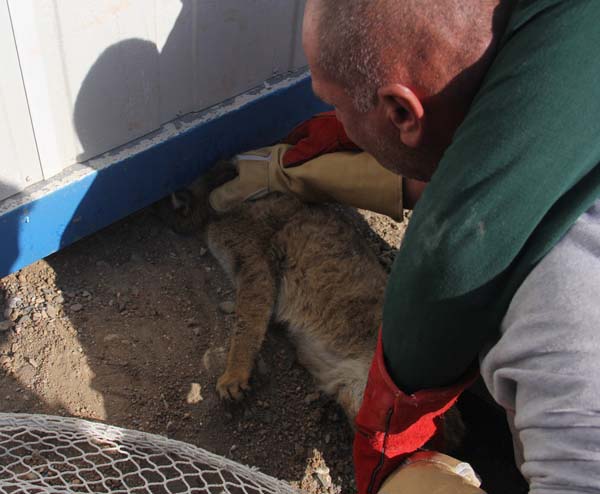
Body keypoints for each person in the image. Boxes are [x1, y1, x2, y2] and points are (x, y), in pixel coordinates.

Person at [211, 0, 600, 492]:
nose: (336, 122)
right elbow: (448, 170)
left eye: (338, 106)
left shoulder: (558, 309)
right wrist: (293, 174)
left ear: (400, 110)